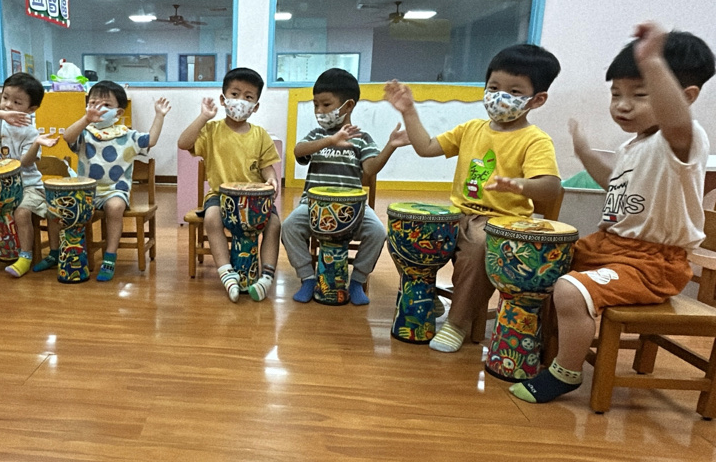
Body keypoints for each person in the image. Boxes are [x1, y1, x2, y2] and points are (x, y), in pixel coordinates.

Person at [511, 23, 716, 404]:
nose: (622, 104)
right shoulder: (633, 146)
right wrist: (585, 153)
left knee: (570, 289)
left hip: (652, 263)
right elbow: (615, 182)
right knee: (541, 260)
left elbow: (675, 120)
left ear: (686, 97)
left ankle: (565, 372)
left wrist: (652, 61)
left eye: (640, 94)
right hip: (610, 247)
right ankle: (535, 344)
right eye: (616, 93)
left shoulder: (683, 140)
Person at [385, 44, 563, 352]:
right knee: (405, 231)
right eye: (493, 87)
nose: (500, 96)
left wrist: (519, 185)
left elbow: (551, 187)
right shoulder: (471, 129)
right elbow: (426, 147)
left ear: (537, 99)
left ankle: (457, 323)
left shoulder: (535, 140)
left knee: (479, 248)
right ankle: (427, 295)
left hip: (500, 222)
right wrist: (409, 111)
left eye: (514, 91)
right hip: (459, 214)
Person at [282, 68, 409, 305]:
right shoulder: (317, 136)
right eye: (316, 105)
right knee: (289, 227)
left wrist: (390, 146)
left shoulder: (361, 138)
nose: (319, 111)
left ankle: (358, 281)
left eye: (326, 104)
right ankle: (307, 278)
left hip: (353, 210)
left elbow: (370, 169)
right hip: (313, 207)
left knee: (377, 232)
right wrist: (330, 140)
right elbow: (299, 151)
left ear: (348, 105)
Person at [177, 67, 282, 302]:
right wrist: (203, 117)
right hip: (220, 195)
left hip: (255, 198)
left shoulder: (261, 135)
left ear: (255, 106)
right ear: (223, 99)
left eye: (248, 96)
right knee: (212, 217)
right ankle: (226, 272)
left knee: (274, 224)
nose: (241, 101)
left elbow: (267, 166)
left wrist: (272, 179)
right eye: (235, 94)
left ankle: (266, 276)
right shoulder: (211, 130)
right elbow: (183, 143)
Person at [61, 81, 170, 281]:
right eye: (93, 103)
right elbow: (67, 137)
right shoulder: (85, 134)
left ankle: (110, 255)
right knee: (69, 208)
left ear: (118, 113)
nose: (98, 108)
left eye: (106, 105)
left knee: (115, 207)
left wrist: (159, 116)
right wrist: (86, 120)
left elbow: (150, 140)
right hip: (86, 190)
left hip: (115, 190)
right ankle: (74, 253)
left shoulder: (127, 135)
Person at [0, 72, 58, 279]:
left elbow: (25, 162)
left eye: (17, 102)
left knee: (22, 212)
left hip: (28, 185)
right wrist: (3, 115)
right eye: (5, 98)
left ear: (31, 109)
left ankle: (25, 256)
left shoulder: (30, 131)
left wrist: (36, 143)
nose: (8, 105)